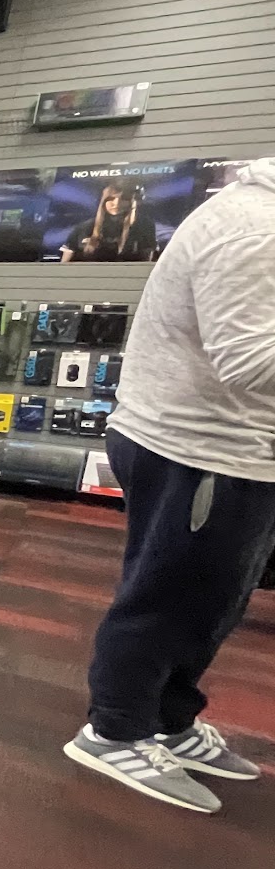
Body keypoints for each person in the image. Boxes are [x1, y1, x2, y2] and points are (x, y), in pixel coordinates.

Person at [64, 157, 275, 812]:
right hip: (198, 448)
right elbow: (248, 360)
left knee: (214, 602)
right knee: (167, 599)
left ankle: (168, 718)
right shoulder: (255, 226)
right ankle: (114, 729)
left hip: (237, 450)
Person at [61, 178, 158, 261]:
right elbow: (64, 267)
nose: (116, 203)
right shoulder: (84, 228)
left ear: (133, 202)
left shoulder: (144, 227)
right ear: (102, 199)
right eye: (111, 198)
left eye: (124, 199)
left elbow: (146, 265)